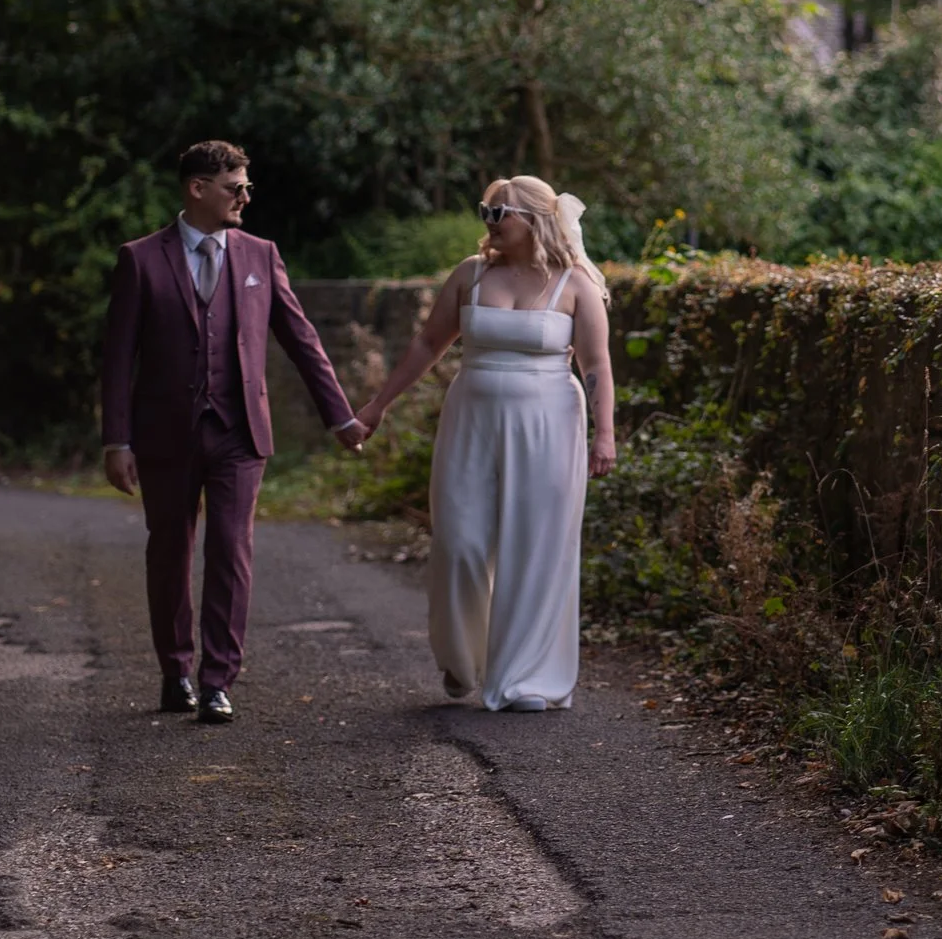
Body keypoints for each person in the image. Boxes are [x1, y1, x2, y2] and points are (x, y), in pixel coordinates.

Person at [98, 140, 367, 724]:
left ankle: (218, 679)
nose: (245, 196)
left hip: (241, 431)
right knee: (169, 551)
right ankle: (176, 671)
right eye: (234, 187)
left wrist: (340, 415)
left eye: (246, 186)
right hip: (165, 434)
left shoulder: (261, 255)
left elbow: (302, 341)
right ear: (197, 189)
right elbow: (118, 358)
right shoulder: (140, 259)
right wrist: (116, 441)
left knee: (231, 550)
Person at [353, 176, 616, 711]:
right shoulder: (470, 276)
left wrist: (604, 433)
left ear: (536, 220)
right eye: (485, 212)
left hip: (550, 421)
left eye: (500, 213)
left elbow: (597, 364)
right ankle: (461, 657)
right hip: (471, 415)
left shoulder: (576, 285)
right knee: (460, 542)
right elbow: (429, 342)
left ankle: (529, 679)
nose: (489, 223)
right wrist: (378, 404)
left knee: (537, 545)